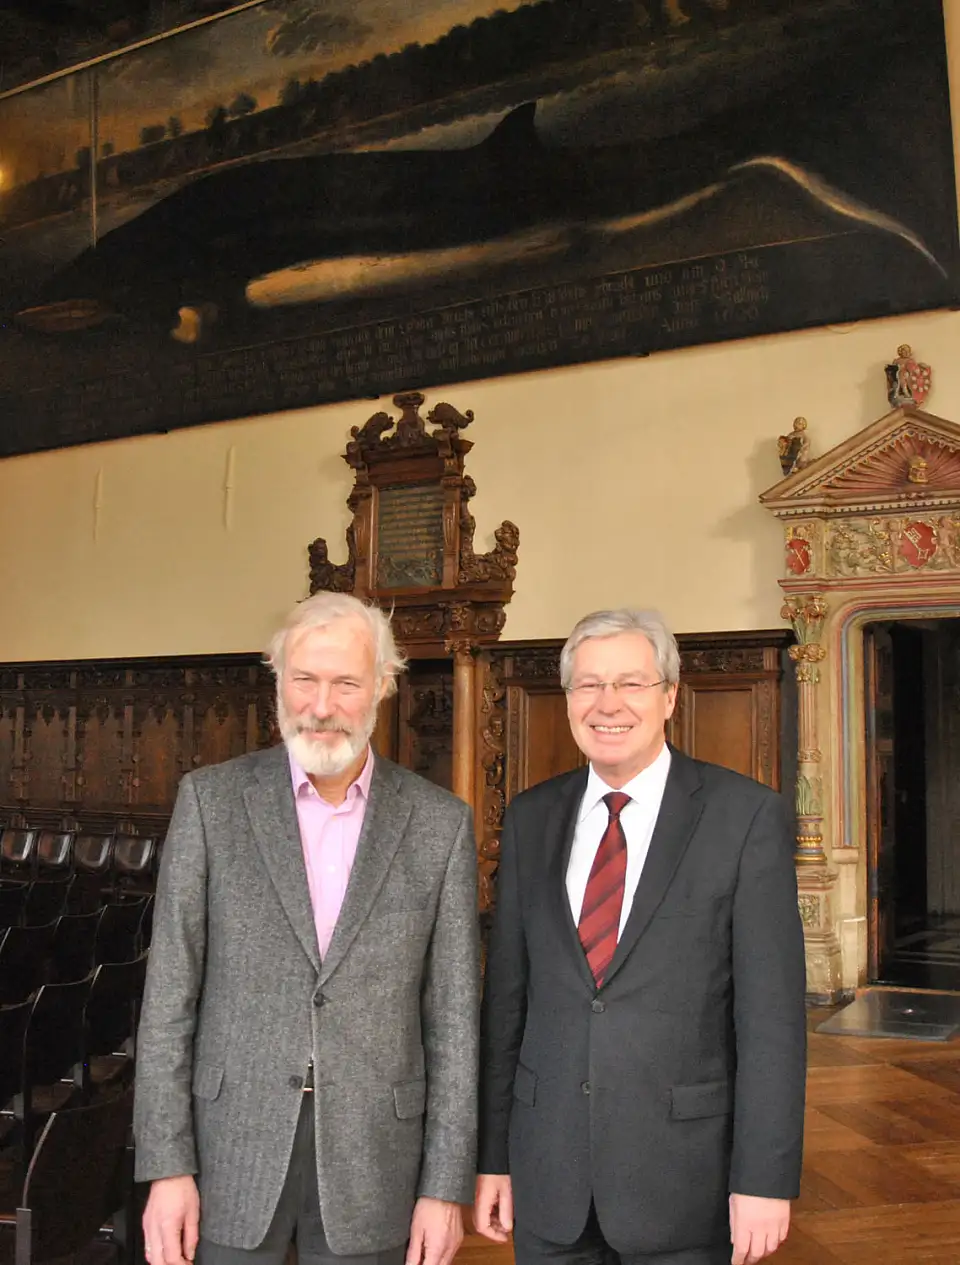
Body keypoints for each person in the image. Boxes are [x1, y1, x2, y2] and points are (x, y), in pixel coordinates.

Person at [134, 593, 480, 1265]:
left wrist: (444, 1186)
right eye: (304, 679)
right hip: (229, 1150)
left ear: (382, 684)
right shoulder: (210, 802)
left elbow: (454, 1023)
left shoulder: (440, 824)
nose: (321, 705)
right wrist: (167, 1166)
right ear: (278, 682)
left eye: (345, 682)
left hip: (377, 1158)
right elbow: (169, 1000)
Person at [475, 608, 806, 1265]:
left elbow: (771, 1021)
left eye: (630, 683)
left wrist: (764, 1179)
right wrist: (493, 1157)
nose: (609, 704)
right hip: (547, 1177)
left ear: (670, 696)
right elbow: (506, 1004)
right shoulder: (530, 818)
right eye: (589, 684)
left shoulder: (745, 817)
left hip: (685, 1182)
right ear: (568, 699)